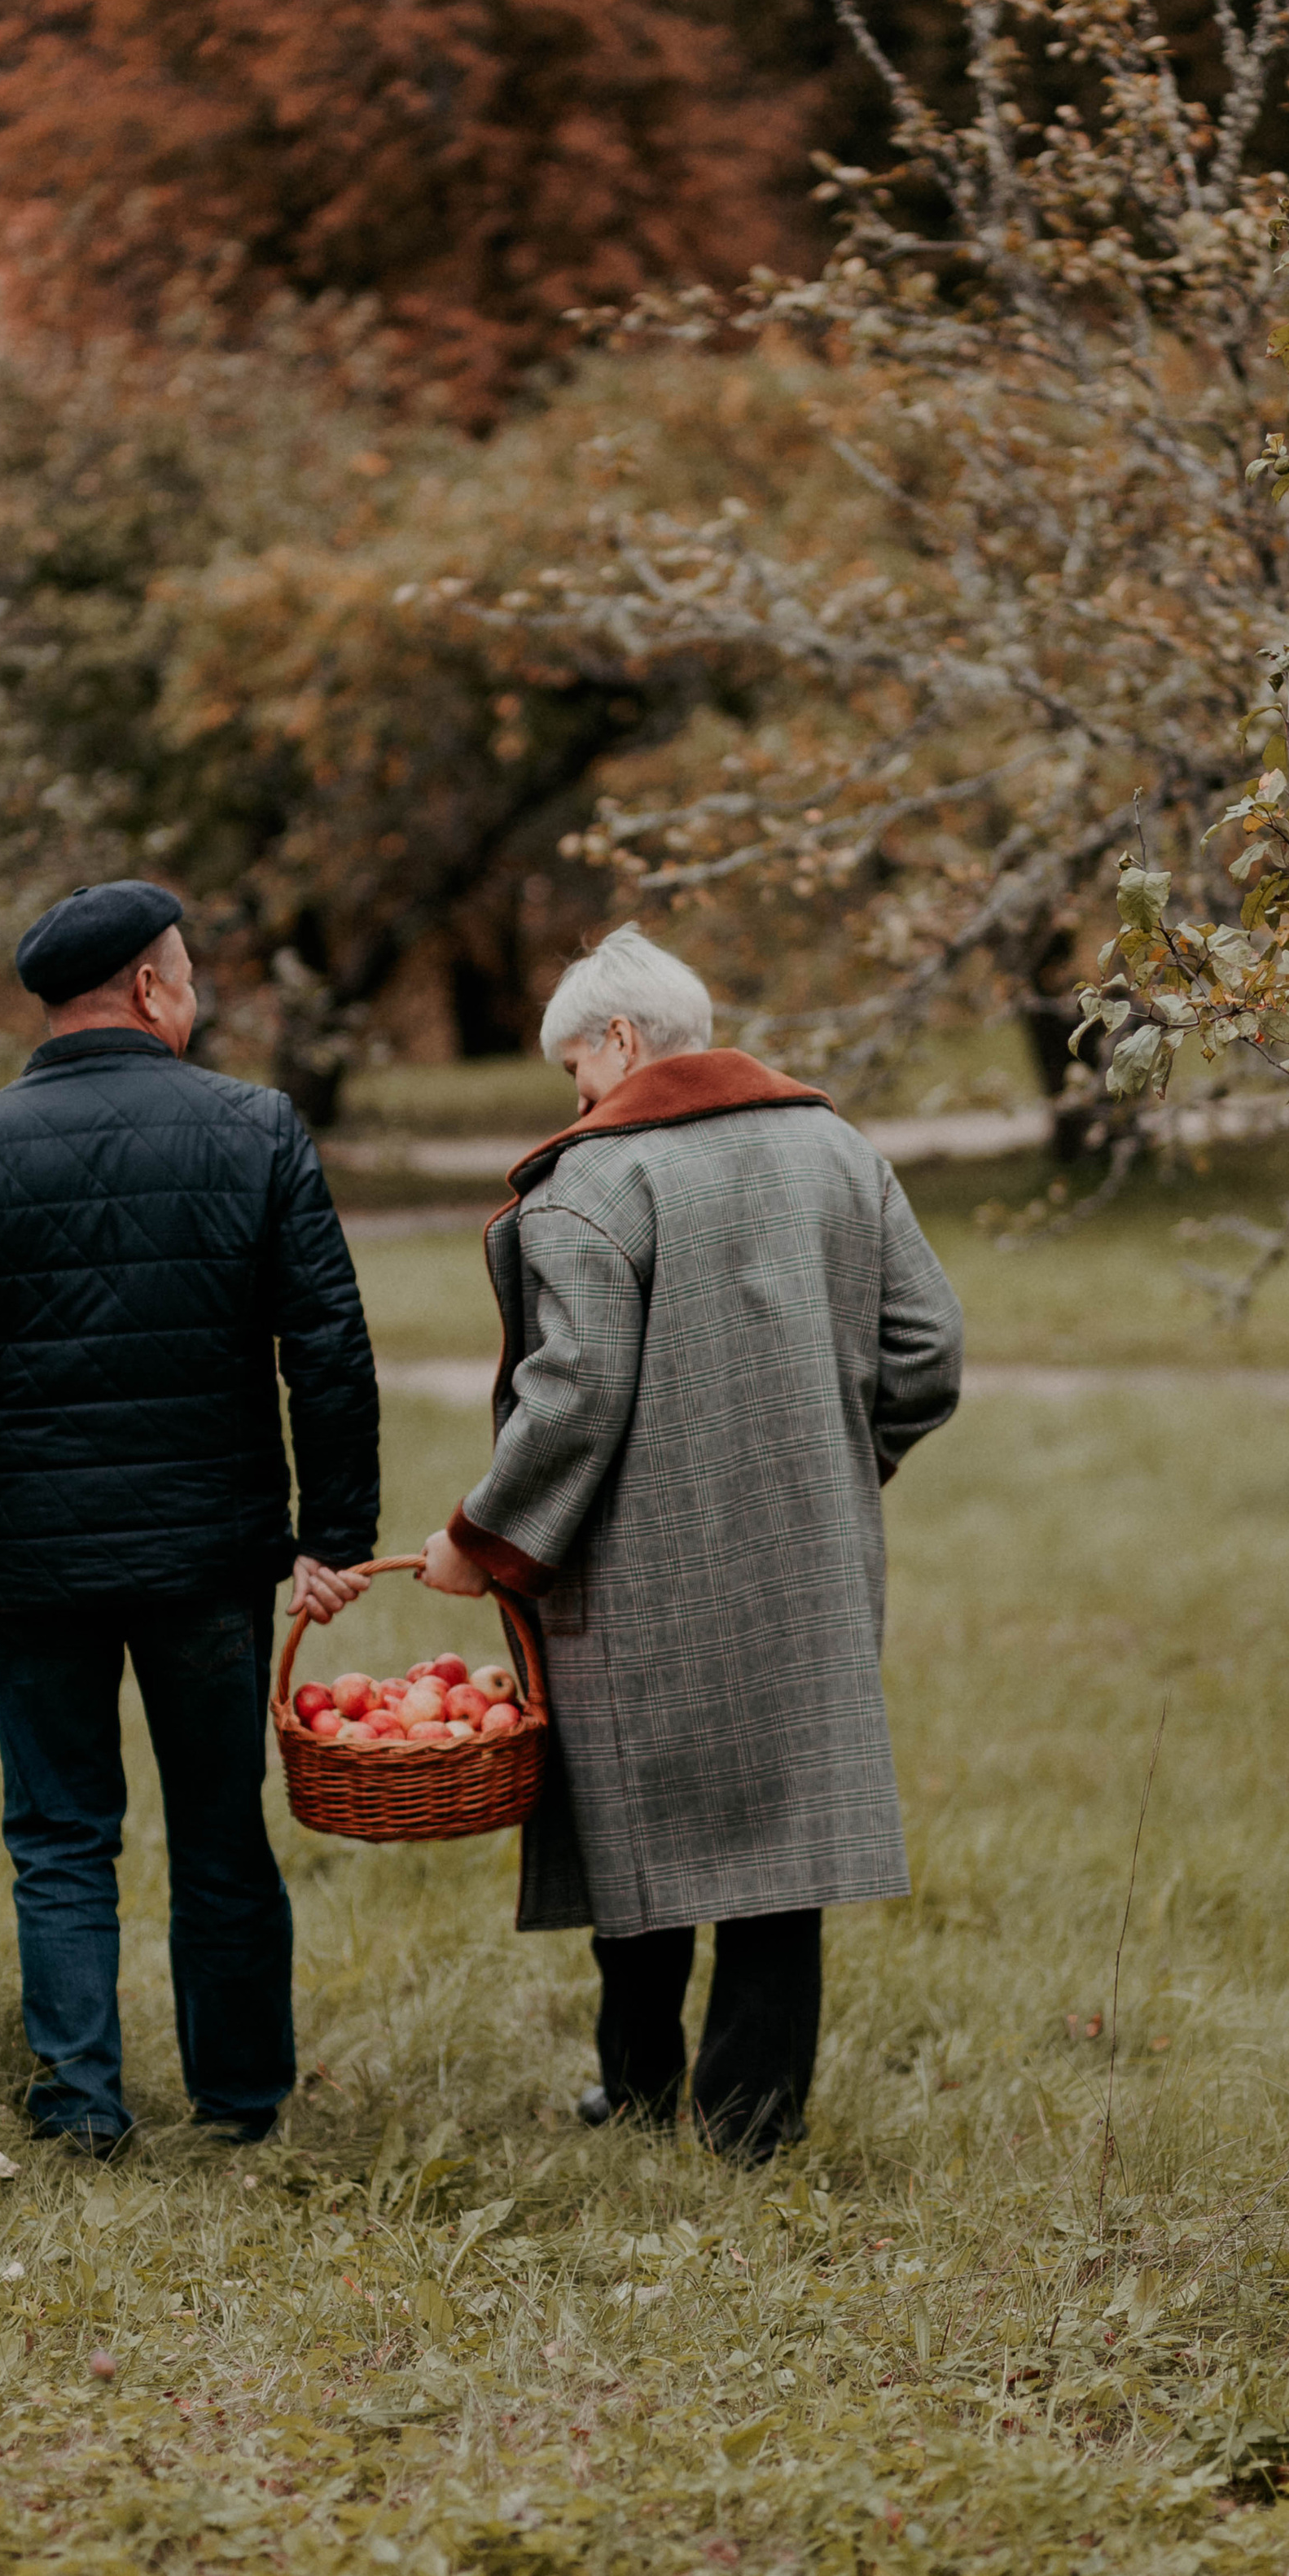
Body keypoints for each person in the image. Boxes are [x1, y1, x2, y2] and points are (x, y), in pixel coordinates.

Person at [0, 880, 378, 2157]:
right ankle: (240, 2102)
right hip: (210, 1555)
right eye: (187, 977)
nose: (194, 999)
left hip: (37, 1571)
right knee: (218, 1825)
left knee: (60, 1834)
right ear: (148, 989)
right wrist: (334, 1535)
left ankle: (81, 2107)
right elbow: (331, 1348)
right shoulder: (257, 1130)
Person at [422, 925, 961, 2162]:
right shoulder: (839, 1149)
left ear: (621, 1041)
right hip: (809, 1561)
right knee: (786, 1824)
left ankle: (645, 2087)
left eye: (577, 1072)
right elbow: (927, 1350)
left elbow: (572, 1396)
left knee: (633, 1807)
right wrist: (842, 1464)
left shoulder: (596, 1188)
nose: (579, 1100)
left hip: (634, 1566)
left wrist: (481, 1538)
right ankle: (753, 2120)